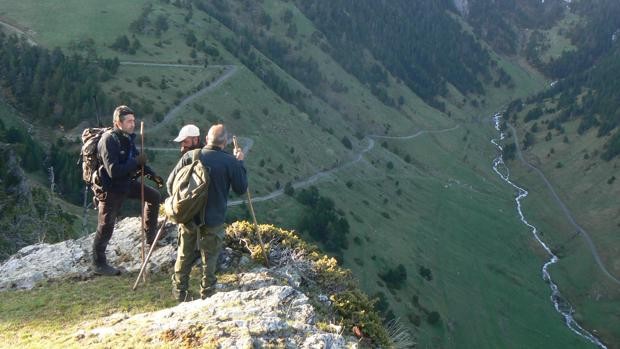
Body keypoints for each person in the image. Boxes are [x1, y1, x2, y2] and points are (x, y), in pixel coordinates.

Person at [167, 124, 247, 301]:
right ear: (224, 143)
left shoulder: (191, 156)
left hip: (188, 216)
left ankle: (180, 292)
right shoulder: (230, 161)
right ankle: (207, 293)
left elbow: (170, 184)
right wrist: (240, 162)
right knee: (210, 258)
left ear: (206, 140)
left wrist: (184, 202)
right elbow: (241, 188)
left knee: (184, 253)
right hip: (214, 218)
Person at [92, 105, 164, 276]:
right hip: (110, 189)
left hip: (125, 184)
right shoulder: (108, 141)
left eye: (134, 120)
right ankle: (98, 263)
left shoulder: (127, 138)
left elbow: (137, 161)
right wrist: (135, 162)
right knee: (106, 225)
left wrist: (152, 175)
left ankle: (150, 236)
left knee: (154, 196)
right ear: (118, 122)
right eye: (129, 121)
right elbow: (113, 171)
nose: (133, 124)